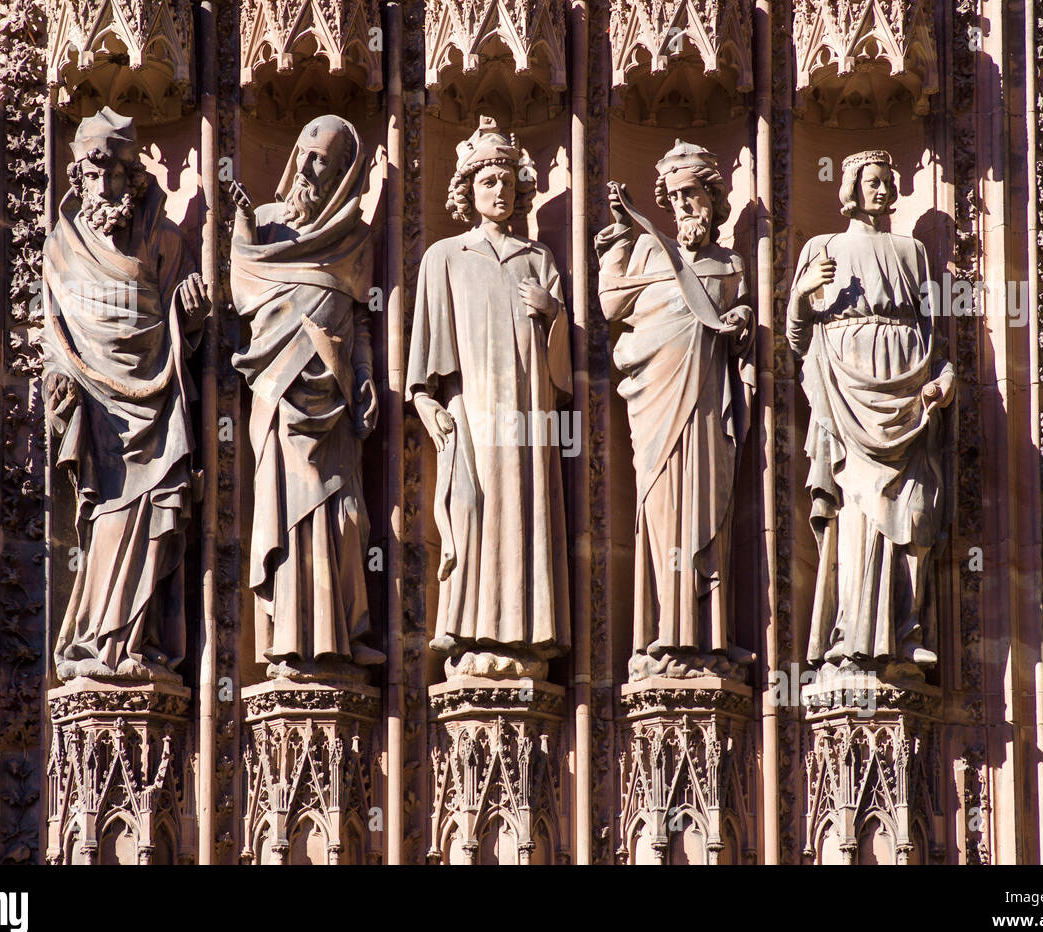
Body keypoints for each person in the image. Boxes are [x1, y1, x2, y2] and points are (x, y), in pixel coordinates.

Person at [42, 107, 209, 683]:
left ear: (134, 178)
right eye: (94, 175)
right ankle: (99, 641)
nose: (106, 186)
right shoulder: (61, 249)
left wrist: (188, 314)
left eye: (116, 174)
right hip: (99, 414)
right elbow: (56, 335)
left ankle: (143, 641)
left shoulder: (165, 242)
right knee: (108, 523)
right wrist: (58, 380)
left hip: (157, 408)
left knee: (158, 520)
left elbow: (181, 325)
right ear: (79, 180)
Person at [406, 116, 572, 679]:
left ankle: (523, 637)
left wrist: (553, 314)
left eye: (507, 181)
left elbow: (562, 370)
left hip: (525, 419)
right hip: (469, 411)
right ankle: (468, 632)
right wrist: (424, 400)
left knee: (523, 511)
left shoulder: (538, 260)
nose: (499, 192)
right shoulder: (445, 257)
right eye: (487, 182)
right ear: (469, 190)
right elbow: (425, 349)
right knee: (472, 511)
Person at [787, 149, 955, 671]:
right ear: (851, 187)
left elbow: (936, 336)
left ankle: (907, 631)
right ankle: (853, 630)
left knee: (916, 513)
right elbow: (797, 338)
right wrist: (802, 297)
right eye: (871, 182)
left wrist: (945, 378)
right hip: (845, 397)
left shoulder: (912, 252)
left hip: (906, 395)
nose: (882, 190)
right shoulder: (823, 248)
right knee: (857, 518)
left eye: (888, 181)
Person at [228, 115, 383, 679]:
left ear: (344, 173)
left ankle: (344, 631)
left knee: (345, 517)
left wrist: (363, 375)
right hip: (279, 393)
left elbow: (359, 317)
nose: (311, 167)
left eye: (326, 160)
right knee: (286, 511)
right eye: (306, 153)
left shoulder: (353, 238)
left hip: (334, 390)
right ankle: (287, 639)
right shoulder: (266, 225)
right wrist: (243, 227)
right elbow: (243, 290)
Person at [596, 140, 755, 680]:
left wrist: (742, 322)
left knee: (709, 511)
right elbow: (612, 305)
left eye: (694, 194)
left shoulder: (730, 263)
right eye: (676, 196)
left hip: (708, 404)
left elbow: (738, 330)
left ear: (713, 197)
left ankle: (709, 636)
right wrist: (619, 236)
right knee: (662, 512)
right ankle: (664, 630)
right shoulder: (648, 251)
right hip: (655, 402)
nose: (685, 205)